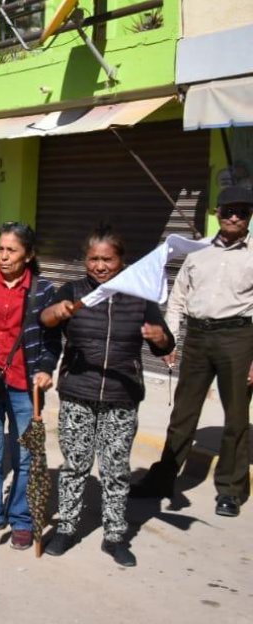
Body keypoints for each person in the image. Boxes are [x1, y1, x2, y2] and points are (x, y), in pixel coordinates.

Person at [40, 226, 174, 567]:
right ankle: (67, 528)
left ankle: (115, 536)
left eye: (107, 259)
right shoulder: (72, 291)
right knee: (75, 465)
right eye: (93, 259)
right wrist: (57, 313)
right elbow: (45, 321)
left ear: (121, 261)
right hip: (77, 394)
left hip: (122, 395)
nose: (100, 266)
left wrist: (159, 337)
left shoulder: (140, 297)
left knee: (116, 470)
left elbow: (166, 344)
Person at [132, 186, 253, 517]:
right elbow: (179, 298)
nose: (234, 217)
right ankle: (161, 481)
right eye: (228, 210)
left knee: (237, 419)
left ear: (249, 217)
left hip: (239, 336)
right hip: (198, 337)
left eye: (241, 212)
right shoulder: (198, 253)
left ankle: (230, 489)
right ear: (217, 213)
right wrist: (170, 340)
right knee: (183, 414)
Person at [0, 221, 60, 551]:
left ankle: (21, 519)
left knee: (26, 456)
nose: (3, 256)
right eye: (0, 249)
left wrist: (45, 370)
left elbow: (52, 341)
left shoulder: (43, 290)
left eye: (11, 250)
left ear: (28, 254)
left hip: (24, 383)